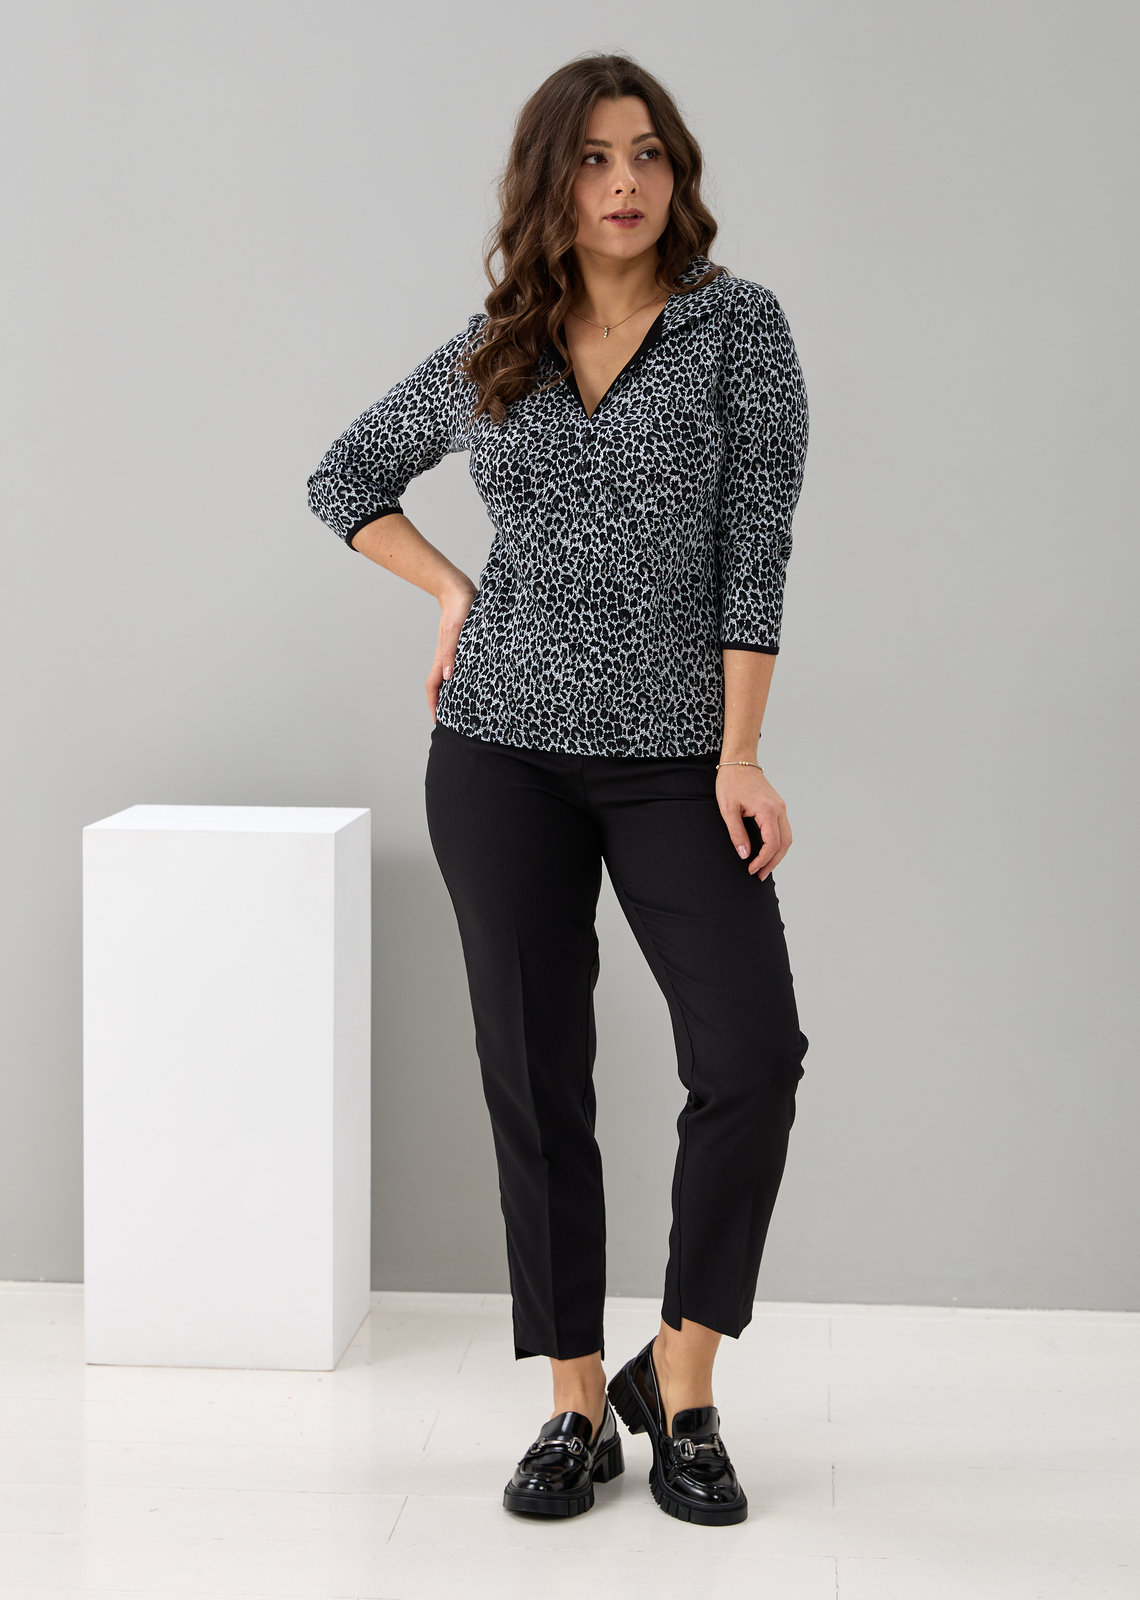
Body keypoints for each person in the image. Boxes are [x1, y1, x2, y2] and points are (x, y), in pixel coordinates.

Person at [308, 52, 809, 1528]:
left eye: (647, 153)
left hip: (676, 764)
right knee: (536, 1077)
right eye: (593, 158)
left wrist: (738, 753)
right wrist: (452, 590)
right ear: (551, 181)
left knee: (752, 1055)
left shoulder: (738, 331)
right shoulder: (501, 342)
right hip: (498, 758)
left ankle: (683, 1381)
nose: (625, 182)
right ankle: (576, 1403)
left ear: (677, 171)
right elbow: (345, 478)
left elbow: (756, 555)